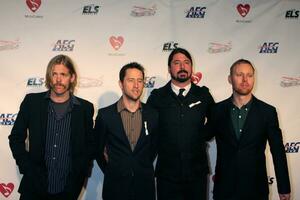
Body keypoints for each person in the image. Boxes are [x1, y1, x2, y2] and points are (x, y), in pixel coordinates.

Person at [8, 55, 94, 200]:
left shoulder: (84, 108)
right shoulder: (32, 103)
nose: (58, 80)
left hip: (68, 188)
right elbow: (16, 138)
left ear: (72, 77)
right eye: (54, 74)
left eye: (63, 74)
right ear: (49, 77)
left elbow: (90, 145)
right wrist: (27, 167)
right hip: (33, 186)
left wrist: (79, 173)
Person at [210, 59, 291, 200]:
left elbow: (278, 151)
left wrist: (283, 186)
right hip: (224, 189)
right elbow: (201, 137)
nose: (245, 79)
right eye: (239, 74)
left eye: (249, 75)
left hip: (256, 189)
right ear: (230, 79)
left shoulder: (268, 112)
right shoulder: (216, 110)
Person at [147, 48, 215, 200]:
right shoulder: (157, 97)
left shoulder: (203, 95)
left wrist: (201, 136)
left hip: (197, 173)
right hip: (167, 174)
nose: (182, 67)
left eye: (186, 63)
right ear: (169, 68)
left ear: (191, 67)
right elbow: (148, 130)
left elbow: (215, 122)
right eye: (177, 63)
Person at [95, 62, 159, 200]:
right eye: (131, 80)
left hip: (145, 188)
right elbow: (97, 150)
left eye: (140, 81)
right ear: (121, 83)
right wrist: (113, 170)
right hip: (115, 188)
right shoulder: (105, 115)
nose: (136, 85)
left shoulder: (153, 115)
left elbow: (153, 148)